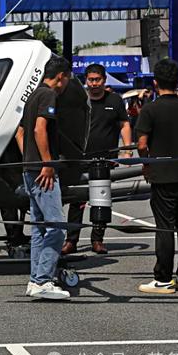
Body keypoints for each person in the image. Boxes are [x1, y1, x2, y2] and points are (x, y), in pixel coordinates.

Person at [135, 59, 178, 294]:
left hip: (162, 174)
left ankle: (163, 278)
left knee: (164, 227)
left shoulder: (150, 109)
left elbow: (141, 144)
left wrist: (146, 164)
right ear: (177, 81)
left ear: (155, 83)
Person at [15, 56, 72, 300]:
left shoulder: (32, 95)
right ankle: (43, 279)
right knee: (57, 226)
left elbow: (20, 132)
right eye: (68, 78)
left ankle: (35, 279)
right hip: (43, 171)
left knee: (39, 228)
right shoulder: (48, 95)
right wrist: (47, 163)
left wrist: (28, 158)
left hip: (29, 169)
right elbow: (39, 129)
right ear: (61, 76)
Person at [63, 64, 133, 255]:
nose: (94, 84)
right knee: (76, 202)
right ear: (86, 80)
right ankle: (71, 240)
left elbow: (124, 124)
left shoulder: (115, 100)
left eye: (97, 80)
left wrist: (126, 150)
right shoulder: (79, 100)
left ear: (104, 80)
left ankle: (98, 239)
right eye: (91, 80)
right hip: (80, 158)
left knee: (101, 200)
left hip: (105, 159)